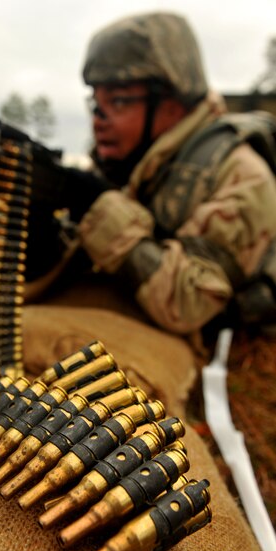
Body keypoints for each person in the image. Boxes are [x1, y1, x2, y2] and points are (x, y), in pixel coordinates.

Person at [30, 11, 276, 338]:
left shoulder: (240, 174)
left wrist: (98, 204)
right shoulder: (135, 162)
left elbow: (191, 306)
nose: (98, 119)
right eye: (95, 102)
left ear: (173, 104)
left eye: (118, 101)